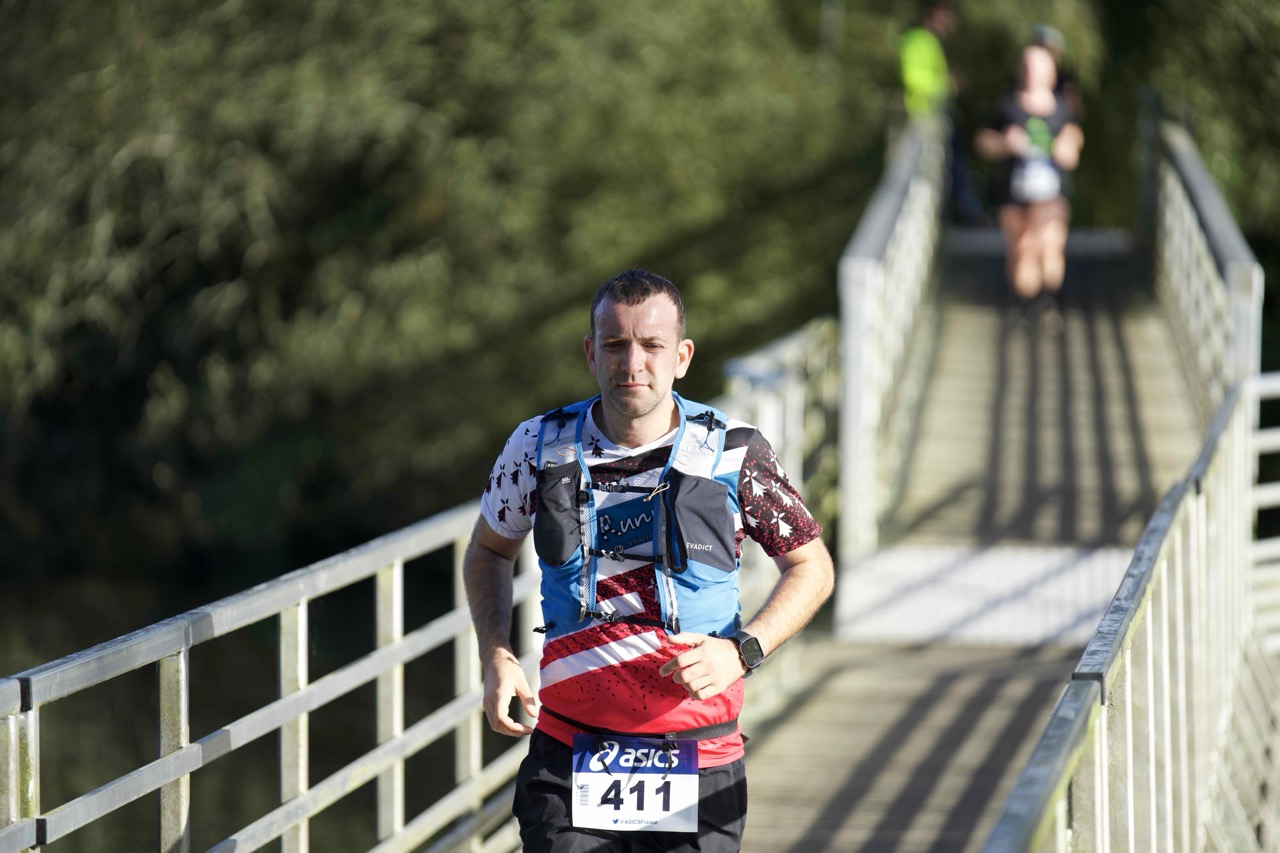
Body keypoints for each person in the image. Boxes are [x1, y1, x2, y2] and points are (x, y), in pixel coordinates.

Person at [463, 269, 835, 852]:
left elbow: (813, 567)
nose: (631, 363)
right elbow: (488, 550)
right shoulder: (536, 446)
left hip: (699, 754)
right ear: (591, 353)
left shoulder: (734, 452)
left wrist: (744, 650)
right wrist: (497, 655)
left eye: (652, 345)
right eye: (615, 344)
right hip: (568, 751)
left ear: (681, 357)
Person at [976, 44, 1084, 330]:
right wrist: (1004, 143)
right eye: (1026, 65)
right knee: (1023, 249)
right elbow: (983, 141)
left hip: (1051, 193)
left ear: (1051, 73)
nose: (1030, 72)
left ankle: (1048, 301)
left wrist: (1067, 147)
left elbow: (1074, 138)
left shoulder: (1062, 107)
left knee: (1050, 245)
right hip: (1014, 193)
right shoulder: (1006, 106)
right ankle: (1026, 303)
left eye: (1037, 66)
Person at [899, 0, 985, 224]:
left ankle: (963, 216)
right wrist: (947, 84)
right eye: (948, 15)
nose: (952, 21)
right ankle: (967, 217)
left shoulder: (930, 41)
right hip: (924, 120)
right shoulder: (918, 40)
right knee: (940, 171)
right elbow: (913, 79)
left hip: (939, 118)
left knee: (951, 169)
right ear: (935, 13)